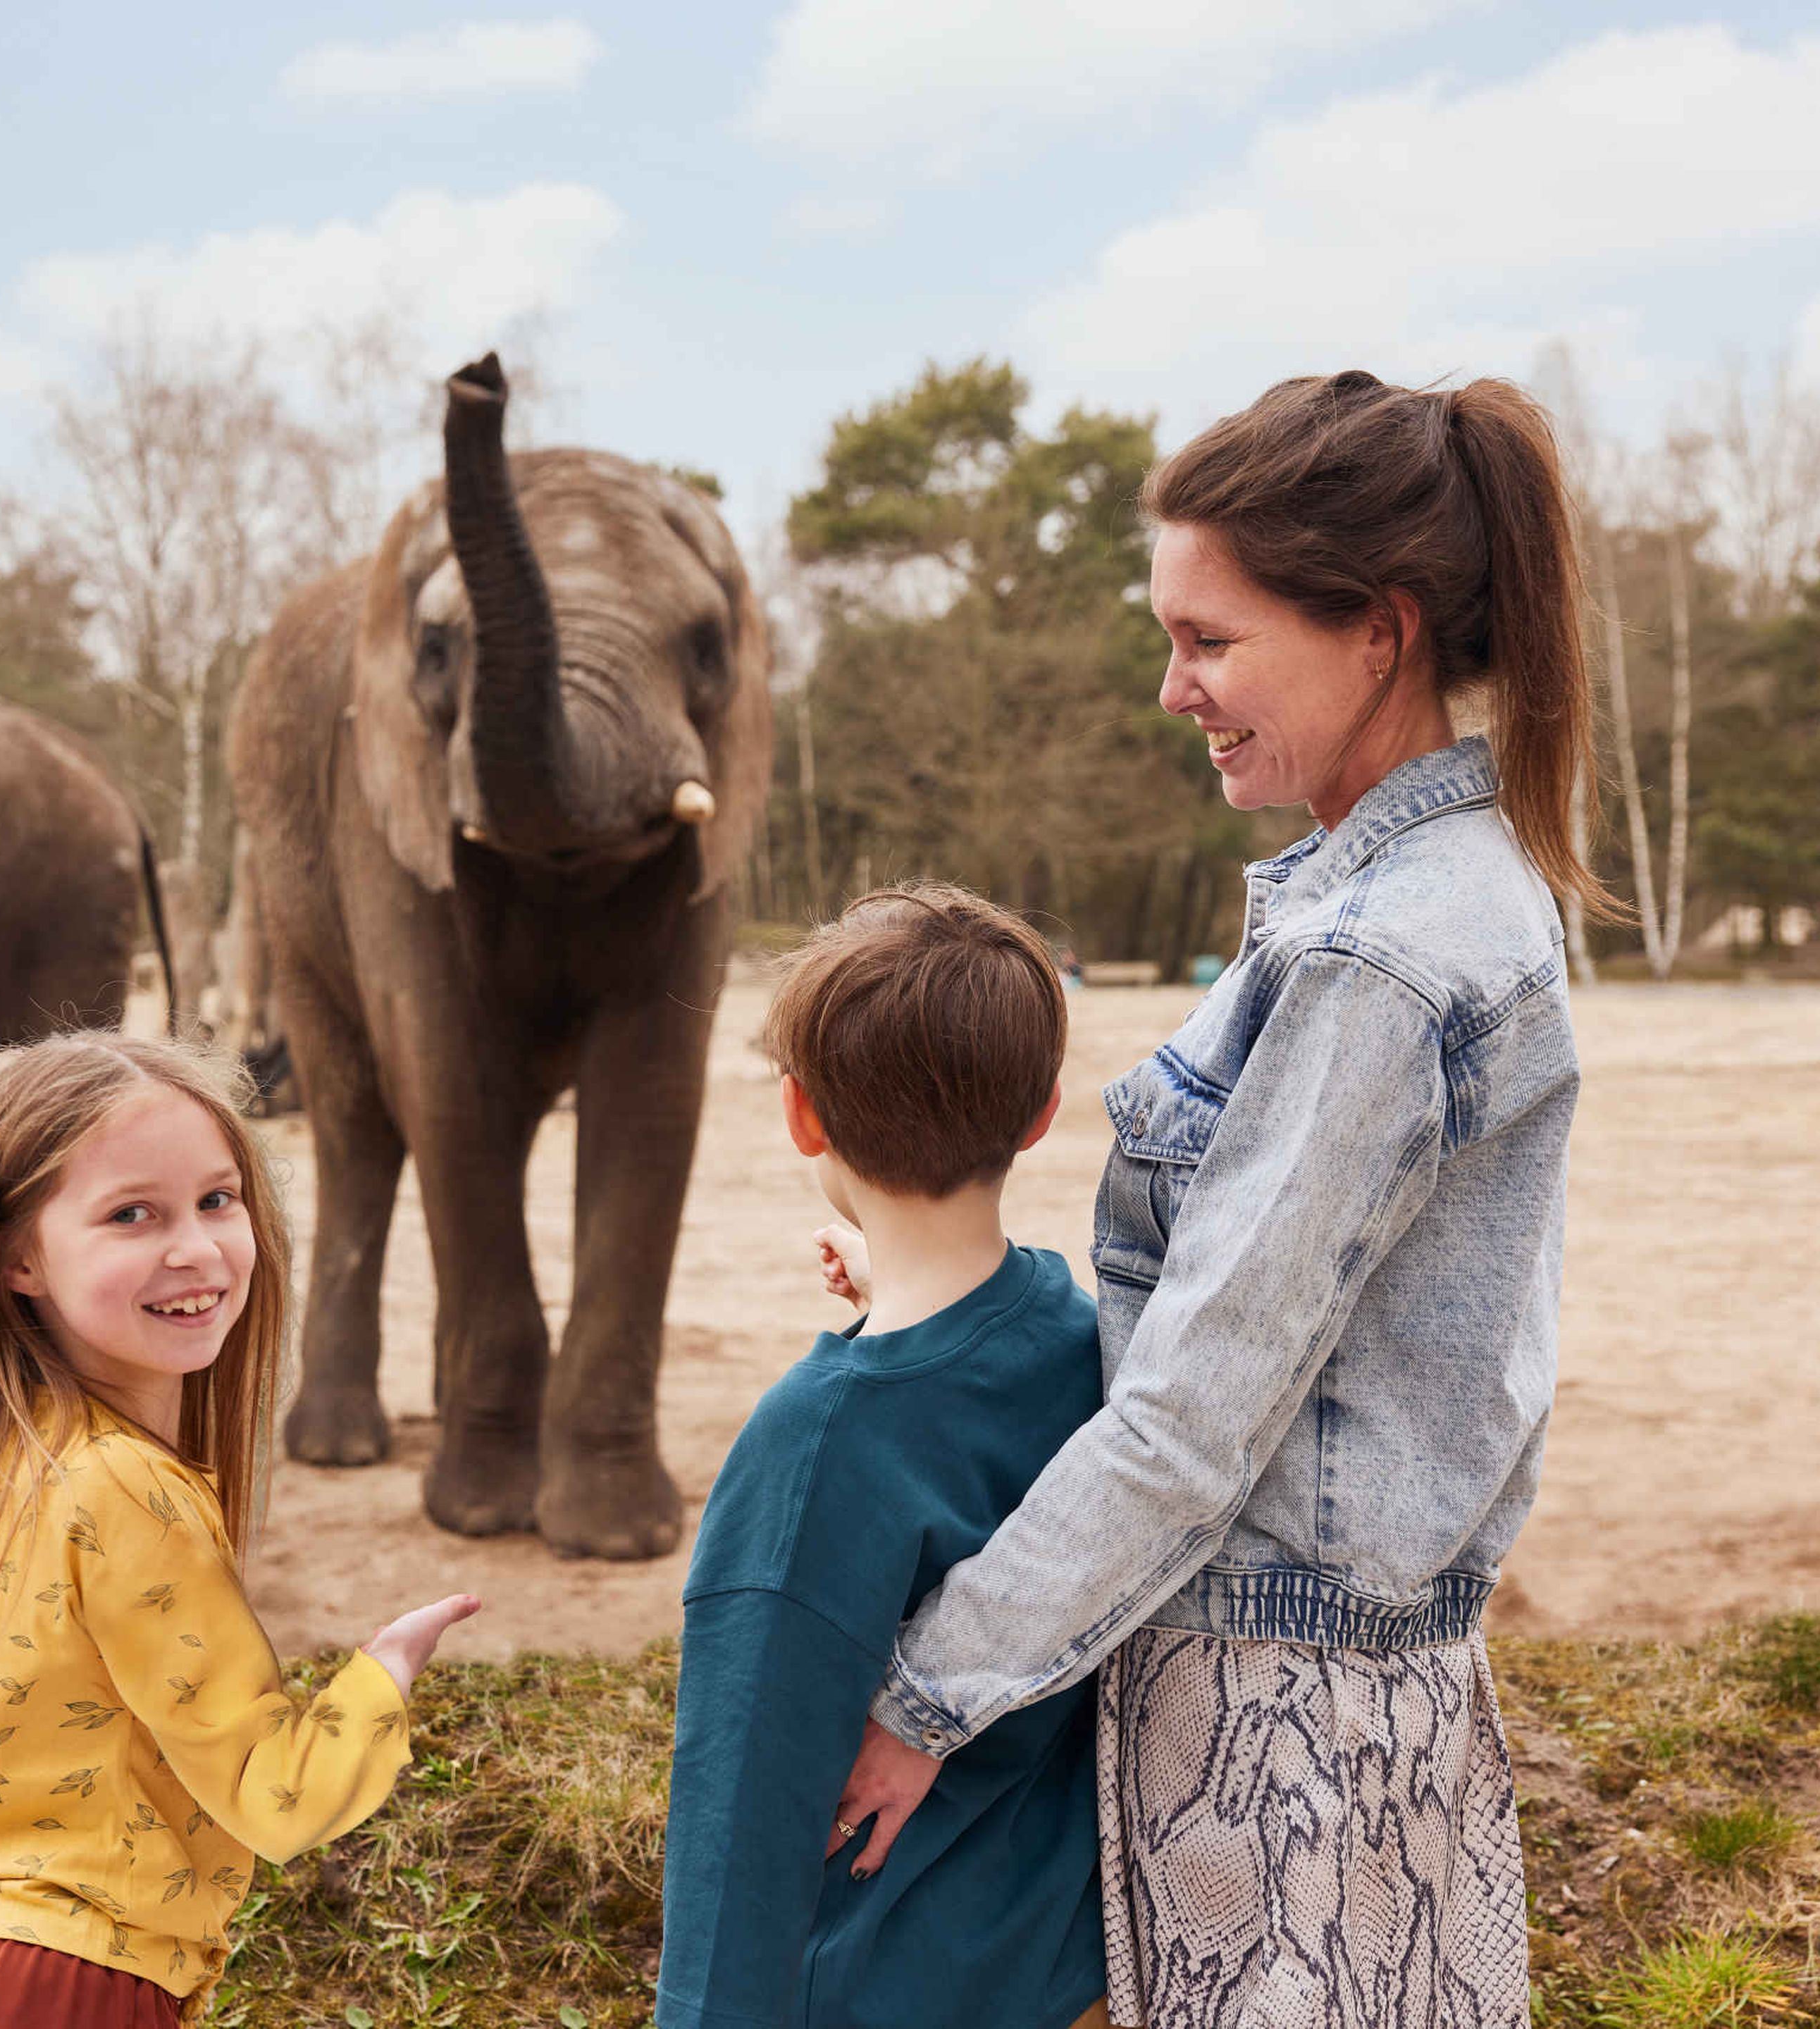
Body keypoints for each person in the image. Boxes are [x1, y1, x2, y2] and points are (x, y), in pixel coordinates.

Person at [826, 371, 1607, 2029]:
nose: (1172, 685)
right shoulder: (1415, 895)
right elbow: (1255, 1317)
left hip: (1282, 1748)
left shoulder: (1381, 959)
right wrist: (932, 1288)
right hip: (1348, 1702)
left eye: (1211, 639)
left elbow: (1194, 1421)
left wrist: (923, 1696)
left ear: (1380, 633)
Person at [0, 1033, 481, 2028]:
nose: (194, 1247)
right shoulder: (128, 1489)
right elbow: (280, 1794)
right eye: (132, 1214)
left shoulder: (23, 1453)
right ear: (17, 1257)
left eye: (217, 1201)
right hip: (54, 1990)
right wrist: (385, 1673)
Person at [659, 883, 1110, 2029]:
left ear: (803, 1115)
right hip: (1065, 1971)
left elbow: (741, 1830)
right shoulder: (1091, 1347)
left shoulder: (810, 1450)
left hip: (874, 1984)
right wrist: (892, 1300)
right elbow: (972, 1387)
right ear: (1043, 1110)